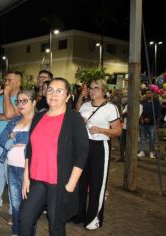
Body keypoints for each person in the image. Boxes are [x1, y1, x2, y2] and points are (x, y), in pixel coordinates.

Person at [19, 78, 89, 236]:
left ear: (68, 96)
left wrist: (70, 185)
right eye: (50, 90)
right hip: (36, 180)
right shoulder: (38, 117)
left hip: (59, 183)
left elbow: (82, 152)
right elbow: (30, 148)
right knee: (24, 219)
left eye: (59, 91)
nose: (53, 94)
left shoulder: (73, 119)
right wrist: (26, 176)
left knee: (56, 228)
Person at [76, 78, 121, 230]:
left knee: (97, 184)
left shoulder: (111, 107)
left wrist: (101, 130)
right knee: (81, 182)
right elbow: (77, 114)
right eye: (91, 88)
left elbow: (118, 131)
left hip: (100, 147)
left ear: (103, 90)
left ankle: (94, 218)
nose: (92, 90)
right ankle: (79, 215)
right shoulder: (86, 105)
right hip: (84, 146)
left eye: (96, 88)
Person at [0, 90, 36, 236]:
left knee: (28, 207)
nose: (20, 104)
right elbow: (1, 139)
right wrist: (18, 138)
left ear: (33, 103)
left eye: (24, 101)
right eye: (18, 101)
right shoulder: (15, 120)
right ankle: (16, 232)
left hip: (29, 169)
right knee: (15, 205)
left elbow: (33, 139)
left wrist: (13, 136)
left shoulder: (38, 121)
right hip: (12, 166)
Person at [0, 71, 22, 213]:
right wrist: (4, 117)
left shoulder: (21, 99)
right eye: (6, 80)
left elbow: (11, 114)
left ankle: (14, 211)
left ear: (18, 83)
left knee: (11, 178)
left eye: (10, 80)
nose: (6, 82)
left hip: (10, 146)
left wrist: (7, 94)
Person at [138, 89, 161, 159]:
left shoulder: (156, 103)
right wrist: (142, 118)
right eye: (147, 93)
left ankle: (151, 151)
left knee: (152, 138)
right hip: (143, 123)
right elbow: (140, 111)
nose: (148, 94)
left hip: (152, 123)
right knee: (143, 137)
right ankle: (142, 151)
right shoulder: (143, 102)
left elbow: (157, 113)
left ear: (153, 94)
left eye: (150, 93)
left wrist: (150, 119)